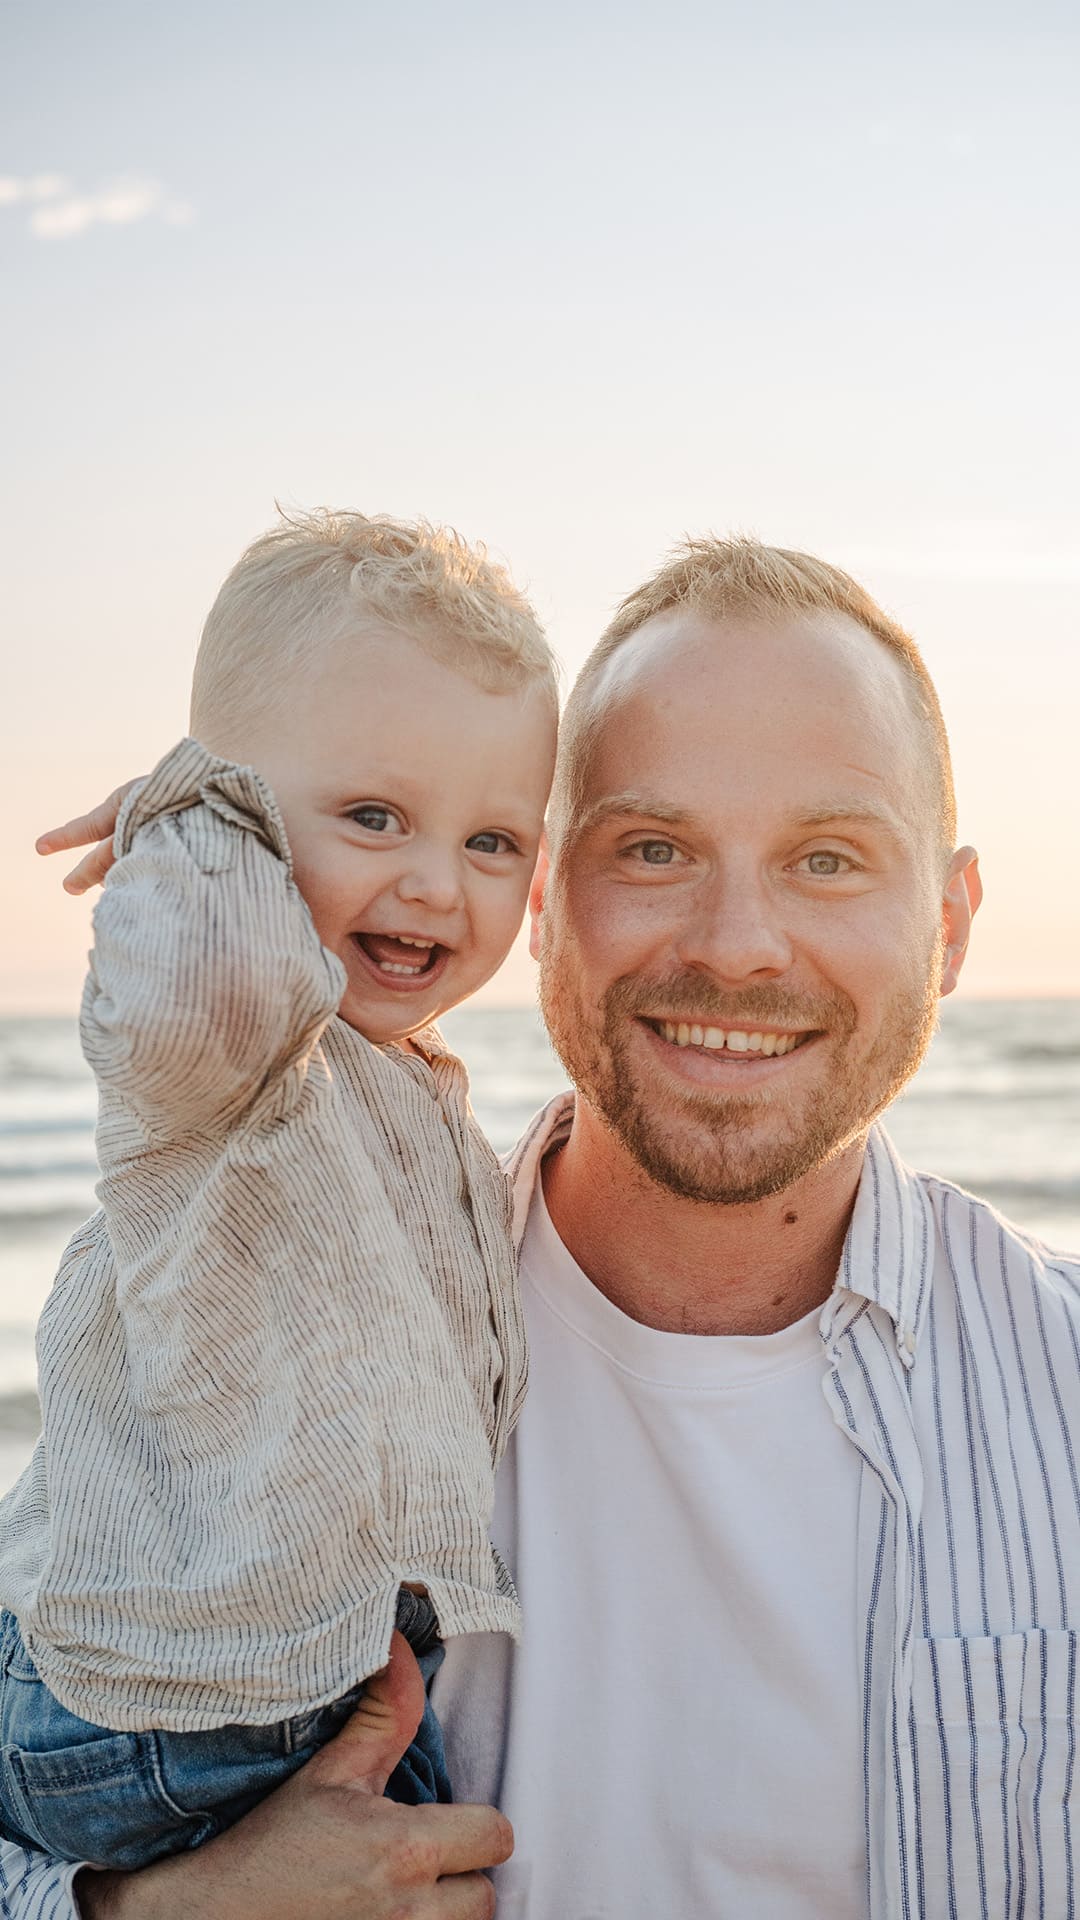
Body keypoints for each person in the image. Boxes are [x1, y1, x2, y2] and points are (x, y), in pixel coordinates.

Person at [3, 536, 1077, 1920]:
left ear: (949, 923)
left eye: (827, 856)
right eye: (653, 847)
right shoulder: (265, 1321)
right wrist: (150, 1914)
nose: (738, 941)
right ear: (549, 901)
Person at [0, 511, 558, 1872]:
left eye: (495, 842)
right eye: (373, 817)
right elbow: (197, 975)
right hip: (153, 1710)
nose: (436, 881)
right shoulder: (234, 1046)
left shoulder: (402, 1085)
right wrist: (197, 824)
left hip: (297, 1697)